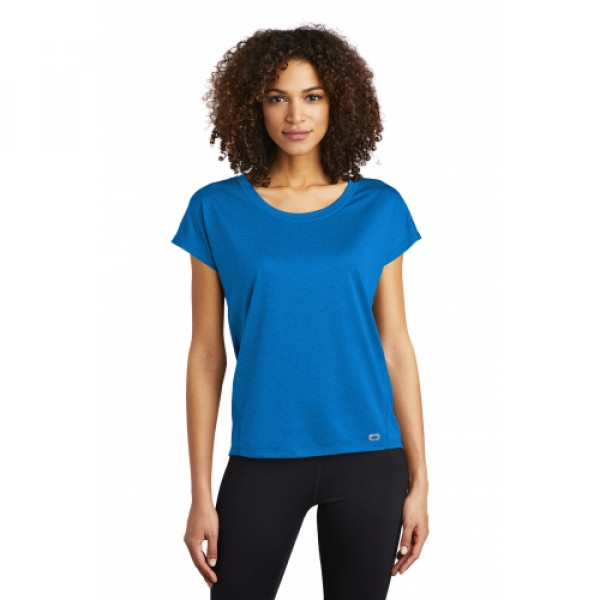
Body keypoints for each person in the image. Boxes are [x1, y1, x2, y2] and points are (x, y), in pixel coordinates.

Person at [171, 24, 429, 599]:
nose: (296, 114)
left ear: (339, 103)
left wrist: (421, 482)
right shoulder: (215, 209)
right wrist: (200, 494)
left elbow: (394, 346)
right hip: (262, 454)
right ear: (253, 105)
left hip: (369, 456)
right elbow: (207, 354)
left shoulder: (378, 207)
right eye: (277, 97)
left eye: (313, 96)